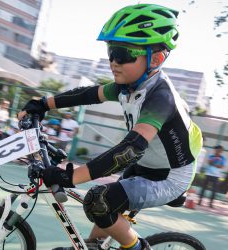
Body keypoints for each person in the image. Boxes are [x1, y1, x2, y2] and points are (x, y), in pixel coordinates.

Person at [18, 4, 203, 250]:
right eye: (111, 52)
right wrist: (42, 104)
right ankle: (95, 245)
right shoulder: (129, 85)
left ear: (156, 58)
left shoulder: (161, 97)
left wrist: (71, 176)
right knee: (98, 233)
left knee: (98, 201)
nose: (114, 62)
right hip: (145, 166)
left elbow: (130, 149)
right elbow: (86, 94)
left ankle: (139, 248)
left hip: (170, 177)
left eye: (123, 54)